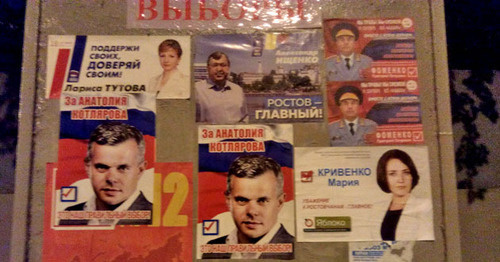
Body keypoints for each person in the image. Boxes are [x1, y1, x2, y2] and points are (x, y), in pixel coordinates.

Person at [59, 122, 152, 226]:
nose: (112, 179)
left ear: (140, 170)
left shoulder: (156, 217)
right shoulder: (68, 216)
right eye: (102, 167)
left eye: (123, 168)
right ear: (88, 167)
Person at [202, 155, 294, 259]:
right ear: (228, 201)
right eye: (242, 200)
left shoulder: (298, 251)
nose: (252, 211)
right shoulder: (211, 250)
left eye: (262, 200)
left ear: (280, 202)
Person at [373, 149, 433, 240]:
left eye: (406, 173)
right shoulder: (377, 208)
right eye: (393, 174)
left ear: (412, 176)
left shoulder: (424, 206)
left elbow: (427, 241)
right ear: (384, 177)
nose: (401, 180)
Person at [195, 51, 247, 124]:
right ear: (208, 68)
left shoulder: (238, 90)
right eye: (215, 65)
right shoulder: (196, 90)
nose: (219, 69)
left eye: (223, 65)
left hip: (235, 135)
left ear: (228, 68)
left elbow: (244, 118)